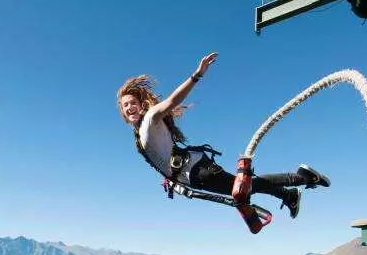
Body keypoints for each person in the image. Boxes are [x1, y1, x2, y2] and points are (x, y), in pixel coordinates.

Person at [116, 52, 330, 219]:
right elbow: (162, 154)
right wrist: (169, 176)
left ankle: (303, 178)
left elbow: (173, 100)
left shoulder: (151, 117)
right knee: (244, 188)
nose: (129, 107)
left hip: (197, 171)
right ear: (123, 112)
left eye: (132, 103)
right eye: (125, 106)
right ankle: (289, 194)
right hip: (191, 174)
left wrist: (196, 75)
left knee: (243, 189)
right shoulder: (141, 133)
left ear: (141, 106)